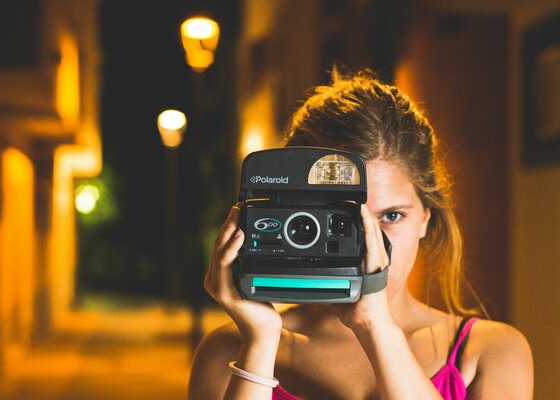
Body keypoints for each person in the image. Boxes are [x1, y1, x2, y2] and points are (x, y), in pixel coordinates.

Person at [188, 70, 533, 399]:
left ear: (426, 218)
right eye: (345, 221)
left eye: (391, 216)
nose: (372, 244)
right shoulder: (229, 350)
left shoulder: (492, 351)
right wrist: (261, 341)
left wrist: (376, 328)